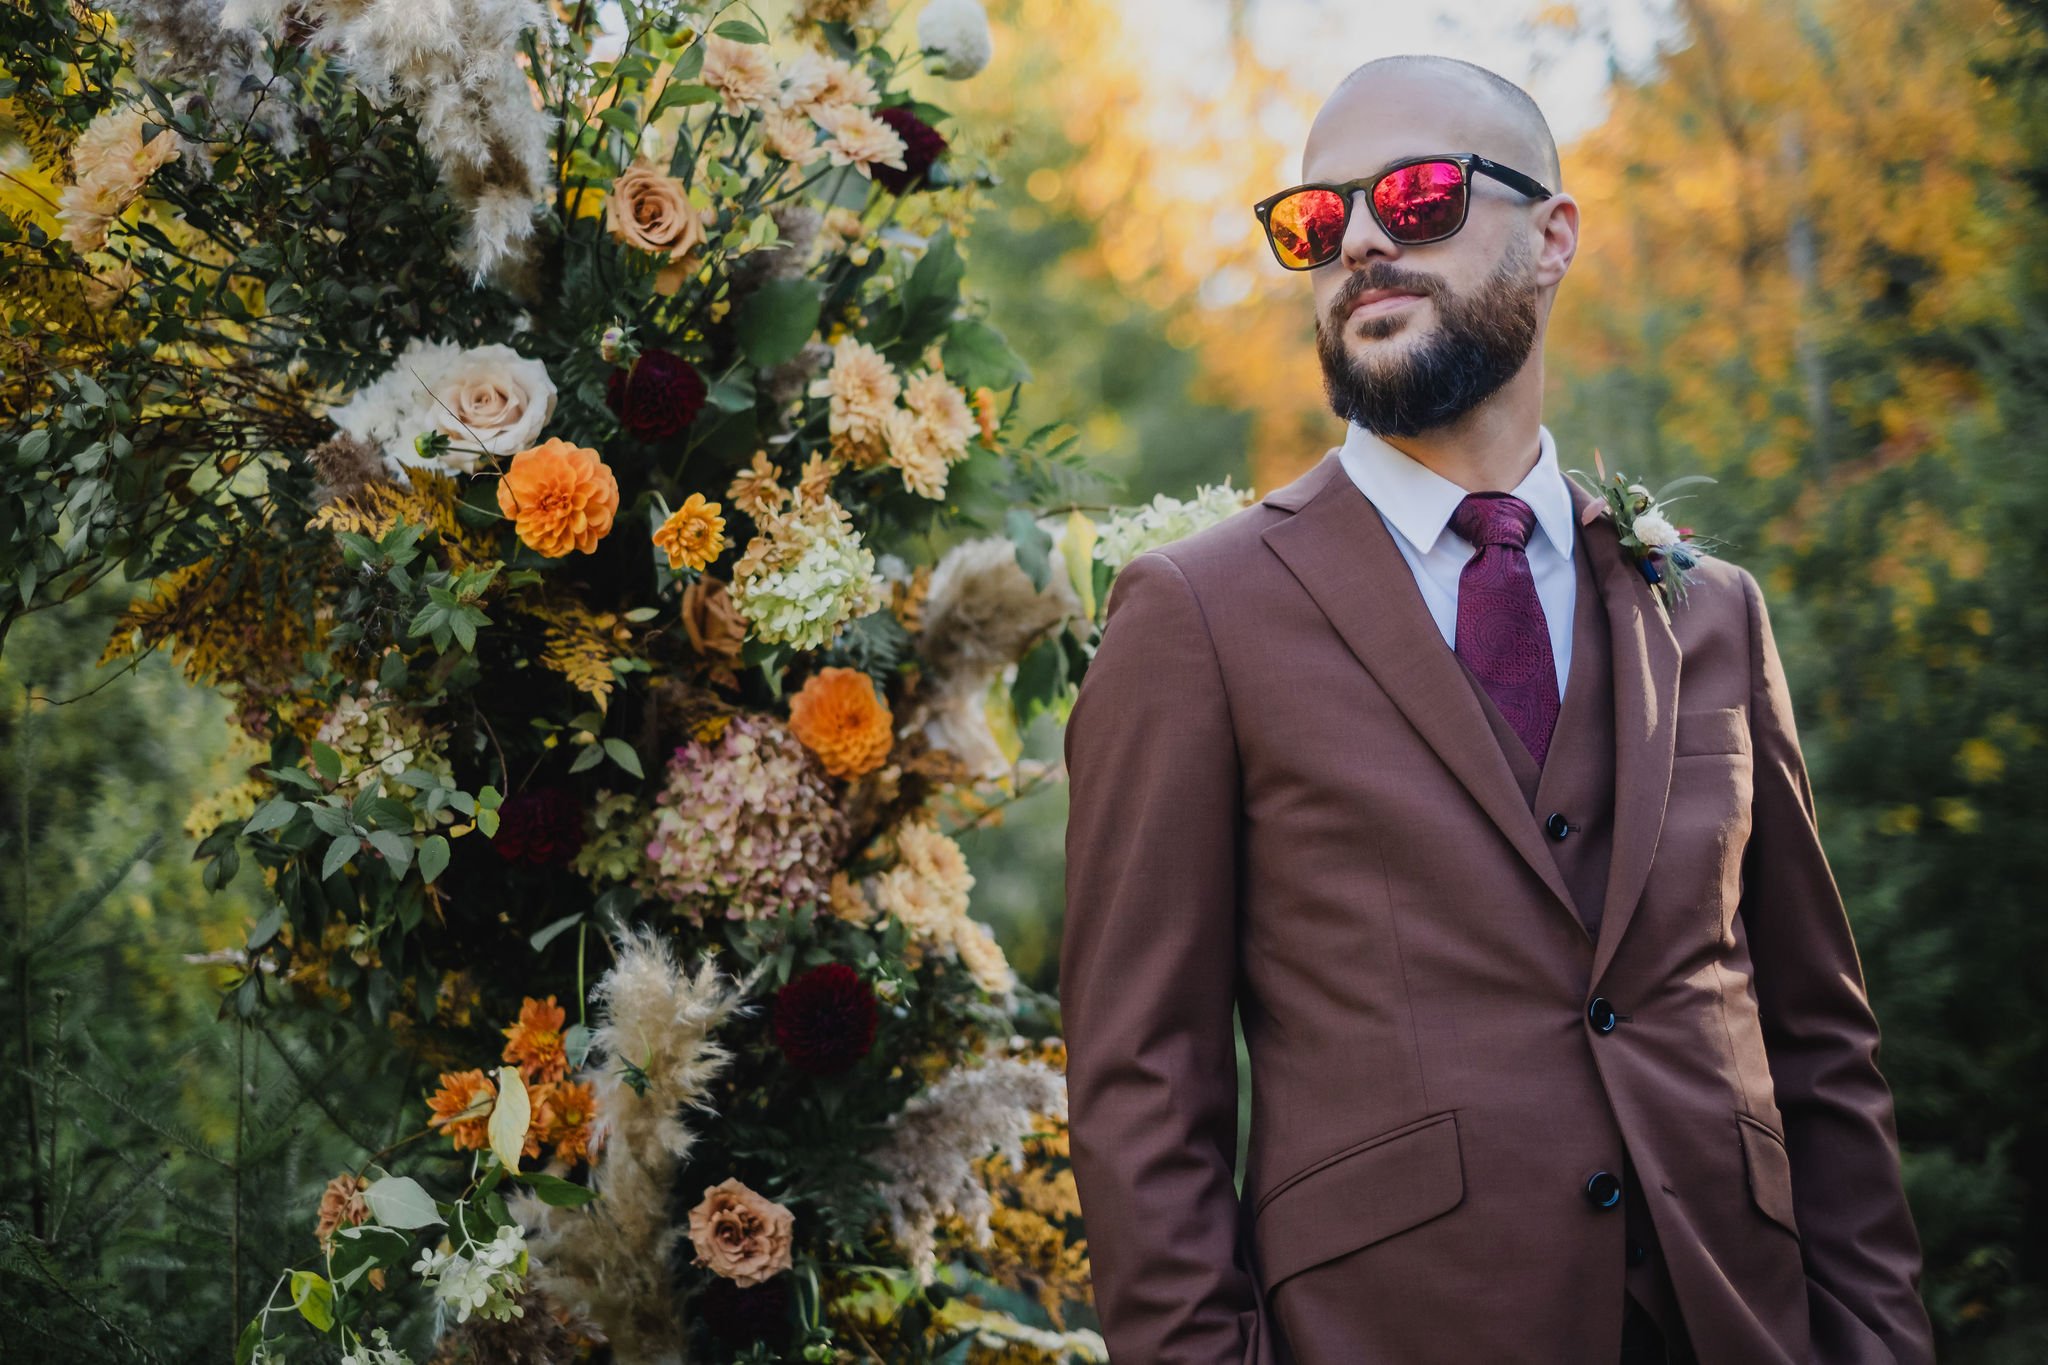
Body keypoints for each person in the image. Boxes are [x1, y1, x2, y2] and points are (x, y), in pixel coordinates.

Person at [1057, 53, 1934, 1365]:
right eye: (1317, 219)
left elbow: (1820, 1041)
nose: (1359, 238)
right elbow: (1141, 1090)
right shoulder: (1196, 616)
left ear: (1553, 236)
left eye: (1416, 197)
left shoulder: (1708, 610)